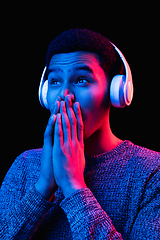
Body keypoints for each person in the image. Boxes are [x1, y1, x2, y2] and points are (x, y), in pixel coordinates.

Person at [0, 29, 159, 239]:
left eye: (81, 80)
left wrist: (74, 187)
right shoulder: (24, 165)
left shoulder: (152, 172)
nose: (64, 95)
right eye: (55, 81)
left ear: (115, 91)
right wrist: (43, 186)